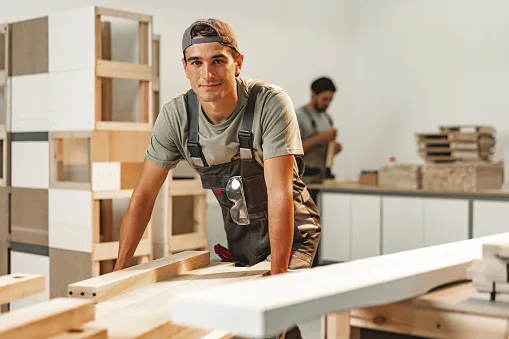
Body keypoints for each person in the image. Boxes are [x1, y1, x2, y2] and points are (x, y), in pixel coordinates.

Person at [112, 18, 321, 339]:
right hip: (241, 233)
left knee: (269, 315)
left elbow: (278, 193)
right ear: (184, 67)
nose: (207, 74)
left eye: (218, 61)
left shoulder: (270, 104)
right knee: (258, 323)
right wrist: (119, 273)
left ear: (237, 63)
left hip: (293, 231)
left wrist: (279, 273)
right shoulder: (176, 117)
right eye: (196, 62)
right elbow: (143, 197)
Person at [295, 77, 342, 185]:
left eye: (330, 99)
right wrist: (320, 138)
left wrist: (334, 149)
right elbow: (292, 151)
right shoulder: (298, 116)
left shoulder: (327, 118)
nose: (327, 103)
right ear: (313, 94)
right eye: (325, 99)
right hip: (304, 180)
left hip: (322, 178)